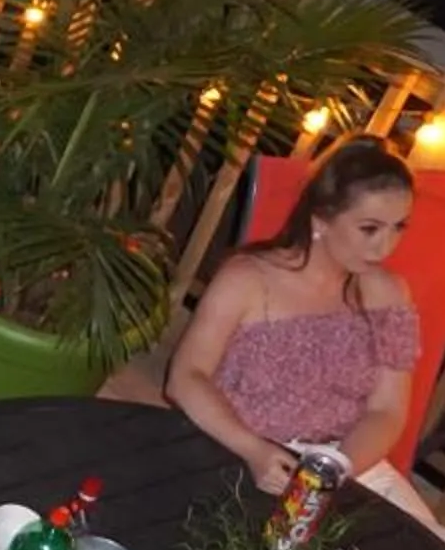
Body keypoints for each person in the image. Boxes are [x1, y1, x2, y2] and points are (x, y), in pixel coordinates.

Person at [169, 139, 419, 491]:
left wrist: (332, 471)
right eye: (369, 228)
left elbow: (388, 411)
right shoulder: (248, 279)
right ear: (321, 221)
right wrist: (254, 450)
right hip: (242, 449)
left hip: (346, 464)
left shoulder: (388, 293)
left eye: (399, 227)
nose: (386, 246)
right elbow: (185, 378)